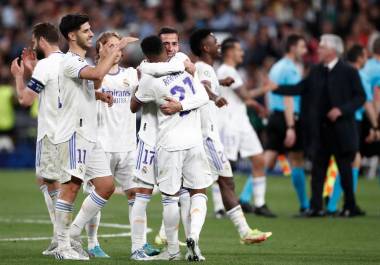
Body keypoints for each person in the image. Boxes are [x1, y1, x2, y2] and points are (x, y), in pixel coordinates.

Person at [54, 14, 128, 260]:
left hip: (90, 134)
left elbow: (81, 89)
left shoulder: (79, 61)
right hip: (75, 132)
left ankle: (73, 233)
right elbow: (97, 75)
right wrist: (115, 48)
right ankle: (63, 247)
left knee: (106, 187)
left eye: (90, 29)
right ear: (71, 35)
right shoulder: (70, 61)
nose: (90, 34)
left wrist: (98, 96)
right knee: (72, 187)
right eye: (86, 30)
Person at [131, 35, 212, 261]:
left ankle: (173, 251)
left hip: (170, 144)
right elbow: (204, 96)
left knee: (169, 198)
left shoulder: (148, 77)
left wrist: (175, 105)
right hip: (194, 141)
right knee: (198, 193)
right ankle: (193, 236)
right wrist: (183, 104)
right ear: (164, 50)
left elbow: (133, 106)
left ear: (146, 55)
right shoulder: (181, 68)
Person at [189, 28, 272, 243]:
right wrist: (215, 95)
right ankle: (244, 232)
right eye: (214, 42)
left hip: (205, 134)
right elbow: (202, 85)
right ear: (204, 47)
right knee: (223, 181)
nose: (219, 45)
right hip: (207, 136)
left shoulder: (206, 68)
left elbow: (206, 81)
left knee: (196, 186)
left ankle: (167, 234)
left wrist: (219, 83)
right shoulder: (202, 68)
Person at [273, 34, 366, 217]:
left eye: (322, 47)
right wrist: (275, 88)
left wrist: (341, 110)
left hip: (342, 129)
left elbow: (360, 97)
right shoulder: (316, 70)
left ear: (332, 51)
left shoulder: (348, 71)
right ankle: (316, 207)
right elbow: (300, 88)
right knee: (317, 170)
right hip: (320, 130)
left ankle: (350, 206)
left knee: (345, 170)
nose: (319, 50)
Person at [10, 22, 63, 256]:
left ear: (42, 41)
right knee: (50, 181)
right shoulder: (71, 62)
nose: (33, 46)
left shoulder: (46, 65)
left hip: (50, 132)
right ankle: (63, 237)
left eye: (34, 41)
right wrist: (32, 71)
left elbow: (25, 100)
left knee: (51, 183)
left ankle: (63, 239)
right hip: (69, 133)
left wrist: (19, 76)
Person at [217, 37, 276, 217]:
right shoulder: (225, 70)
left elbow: (243, 99)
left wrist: (257, 106)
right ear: (229, 52)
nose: (242, 53)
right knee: (224, 166)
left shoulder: (233, 71)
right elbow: (245, 95)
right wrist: (266, 88)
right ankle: (220, 207)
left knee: (258, 159)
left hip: (241, 121)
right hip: (229, 123)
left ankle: (259, 203)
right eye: (238, 49)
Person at [326, 44, 379, 214]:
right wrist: (375, 125)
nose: (367, 58)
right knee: (351, 161)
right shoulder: (358, 75)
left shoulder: (340, 72)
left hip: (341, 120)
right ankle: (341, 204)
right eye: (364, 55)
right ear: (359, 57)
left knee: (347, 161)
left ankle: (340, 203)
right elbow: (366, 101)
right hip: (353, 121)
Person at [266, 34, 309, 215]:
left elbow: (270, 91)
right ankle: (305, 205)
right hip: (288, 116)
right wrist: (291, 126)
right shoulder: (291, 69)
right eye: (302, 47)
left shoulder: (276, 67)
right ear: (292, 48)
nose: (304, 51)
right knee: (297, 159)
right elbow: (289, 97)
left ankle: (245, 197)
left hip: (275, 115)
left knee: (268, 159)